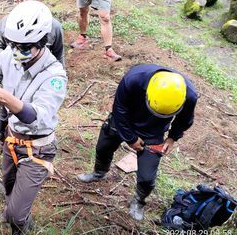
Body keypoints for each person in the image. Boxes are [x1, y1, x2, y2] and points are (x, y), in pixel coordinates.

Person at [0, 0, 67, 235]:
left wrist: (2, 95)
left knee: (17, 212)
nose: (16, 52)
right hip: (12, 140)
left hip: (38, 149)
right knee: (10, 189)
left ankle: (20, 232)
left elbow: (36, 116)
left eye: (25, 47)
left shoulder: (55, 76)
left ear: (42, 43)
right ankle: (12, 215)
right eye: (13, 45)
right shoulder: (10, 56)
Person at [77, 64, 198, 221]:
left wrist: (172, 137)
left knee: (147, 177)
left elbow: (184, 120)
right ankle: (99, 173)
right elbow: (119, 110)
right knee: (104, 147)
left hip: (154, 131)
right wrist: (131, 138)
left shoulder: (189, 96)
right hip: (124, 120)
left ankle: (139, 201)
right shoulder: (133, 79)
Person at [0, 0, 65, 141]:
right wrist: (4, 67)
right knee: (6, 106)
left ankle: (37, 137)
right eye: (15, 1)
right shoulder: (6, 22)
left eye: (23, 1)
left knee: (32, 108)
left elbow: (59, 54)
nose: (18, 6)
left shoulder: (53, 26)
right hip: (13, 73)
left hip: (38, 77)